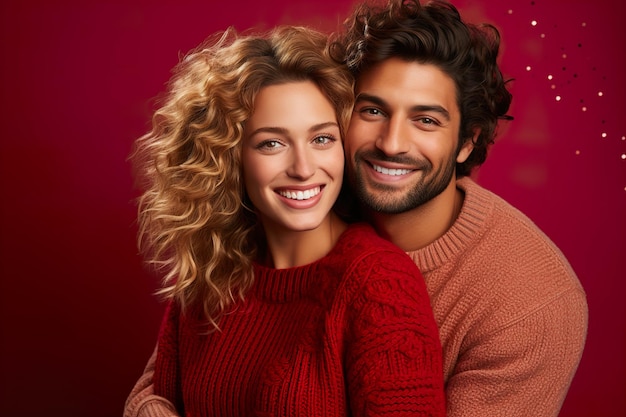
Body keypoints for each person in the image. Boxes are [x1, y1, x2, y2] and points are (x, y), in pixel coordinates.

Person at [124, 25, 445, 417]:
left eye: (322, 139)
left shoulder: (379, 285)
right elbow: (160, 396)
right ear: (229, 158)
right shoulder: (212, 271)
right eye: (271, 143)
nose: (304, 168)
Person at [331, 0, 588, 416]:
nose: (392, 143)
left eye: (426, 120)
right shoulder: (300, 205)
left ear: (467, 140)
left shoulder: (531, 305)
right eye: (373, 110)